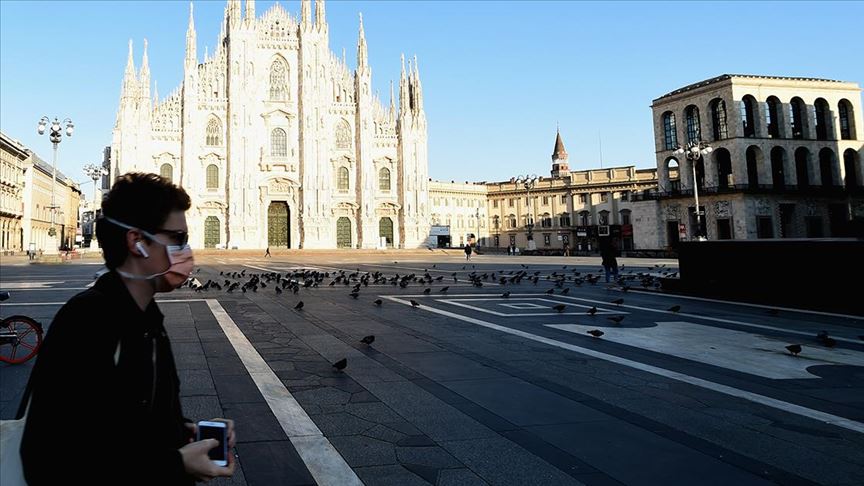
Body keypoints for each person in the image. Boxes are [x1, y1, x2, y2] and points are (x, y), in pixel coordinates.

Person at [19, 173, 236, 485]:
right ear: (137, 242)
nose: (186, 252)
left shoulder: (149, 320)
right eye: (177, 239)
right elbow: (49, 460)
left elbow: (124, 427)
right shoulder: (87, 321)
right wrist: (174, 463)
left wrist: (181, 433)